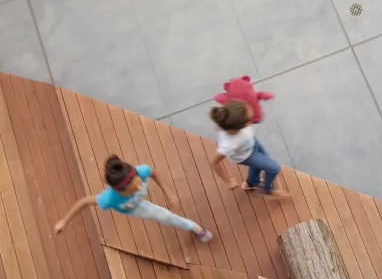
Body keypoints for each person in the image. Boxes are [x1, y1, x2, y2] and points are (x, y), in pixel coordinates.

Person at [54, 155, 213, 242]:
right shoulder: (109, 198)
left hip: (134, 200)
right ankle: (194, 227)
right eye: (134, 187)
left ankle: (193, 227)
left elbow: (154, 173)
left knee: (162, 213)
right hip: (131, 207)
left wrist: (169, 193)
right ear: (119, 190)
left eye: (139, 182)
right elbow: (84, 202)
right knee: (164, 216)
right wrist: (64, 221)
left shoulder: (140, 171)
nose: (140, 187)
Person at [209, 99, 289, 201]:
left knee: (262, 164)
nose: (251, 121)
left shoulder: (233, 116)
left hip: (252, 143)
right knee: (274, 168)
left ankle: (251, 183)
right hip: (247, 156)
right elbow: (214, 163)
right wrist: (228, 179)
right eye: (248, 121)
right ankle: (267, 190)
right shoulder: (228, 144)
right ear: (239, 127)